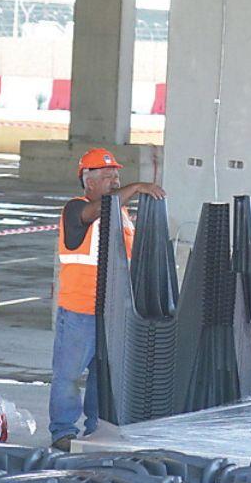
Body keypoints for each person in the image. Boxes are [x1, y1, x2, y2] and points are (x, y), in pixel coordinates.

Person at [50, 148, 166, 450]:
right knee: (69, 376)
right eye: (107, 176)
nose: (114, 180)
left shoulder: (122, 216)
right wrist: (138, 187)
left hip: (112, 312)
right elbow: (100, 209)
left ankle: (95, 430)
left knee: (102, 378)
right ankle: (63, 432)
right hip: (80, 311)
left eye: (116, 175)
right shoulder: (76, 210)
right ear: (87, 181)